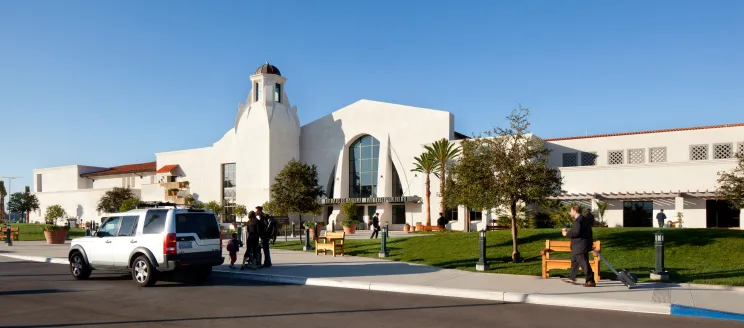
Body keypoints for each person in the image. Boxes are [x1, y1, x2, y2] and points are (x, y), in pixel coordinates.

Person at [562, 205, 595, 287]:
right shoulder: (584, 219)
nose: (570, 212)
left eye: (571, 211)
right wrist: (590, 244)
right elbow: (589, 232)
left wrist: (566, 233)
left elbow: (576, 233)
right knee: (574, 261)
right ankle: (572, 278)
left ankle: (590, 281)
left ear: (575, 211)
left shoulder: (578, 221)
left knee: (584, 264)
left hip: (580, 246)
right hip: (580, 245)